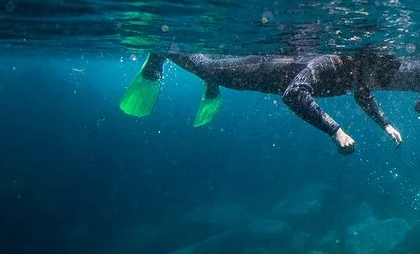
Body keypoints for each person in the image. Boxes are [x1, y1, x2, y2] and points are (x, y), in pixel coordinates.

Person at [120, 53, 402, 154]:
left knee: (215, 68)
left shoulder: (359, 75)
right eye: (381, 77)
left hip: (257, 80)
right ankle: (163, 50)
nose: (381, 84)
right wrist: (335, 131)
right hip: (255, 70)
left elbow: (364, 95)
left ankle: (214, 77)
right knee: (209, 68)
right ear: (369, 64)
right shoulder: (330, 63)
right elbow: (293, 94)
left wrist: (386, 124)